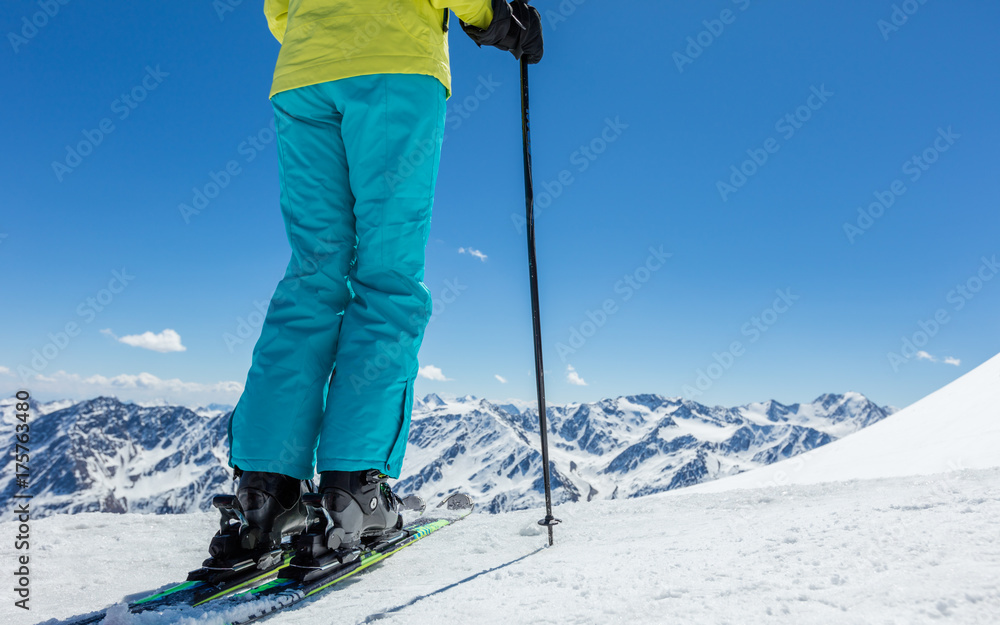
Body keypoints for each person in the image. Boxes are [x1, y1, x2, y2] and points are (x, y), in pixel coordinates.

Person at [214, 0, 544, 564]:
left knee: (313, 274)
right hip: (391, 63)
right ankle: (353, 493)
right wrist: (493, 17)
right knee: (388, 277)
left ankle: (265, 497)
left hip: (304, 70)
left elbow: (277, 10)